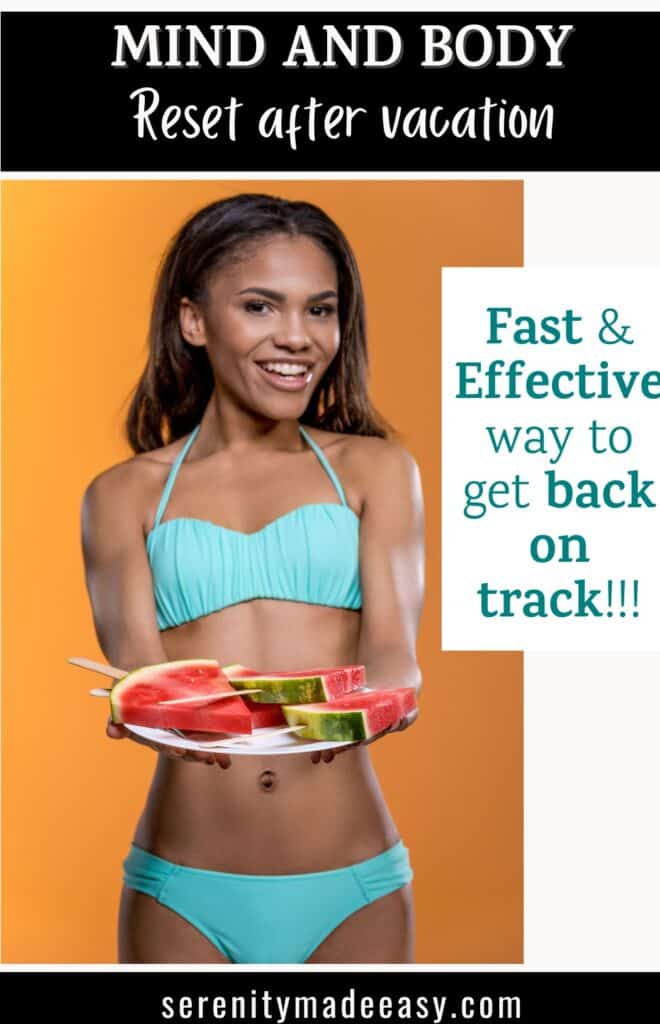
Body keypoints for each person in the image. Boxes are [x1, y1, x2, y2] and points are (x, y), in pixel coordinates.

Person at [80, 193, 425, 964]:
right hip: (183, 886)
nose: (297, 338)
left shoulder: (375, 472)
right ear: (194, 322)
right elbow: (140, 671)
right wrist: (140, 704)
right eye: (261, 306)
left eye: (321, 309)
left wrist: (379, 700)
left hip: (353, 883)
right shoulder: (122, 496)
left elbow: (394, 650)